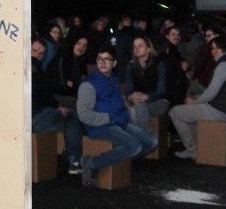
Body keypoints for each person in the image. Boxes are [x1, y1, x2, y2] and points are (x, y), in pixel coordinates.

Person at [76, 46, 157, 184]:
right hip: (101, 126)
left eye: (107, 59)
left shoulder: (114, 79)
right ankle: (90, 162)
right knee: (134, 146)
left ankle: (120, 158)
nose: (102, 62)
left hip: (119, 122)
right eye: (100, 59)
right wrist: (108, 118)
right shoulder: (89, 84)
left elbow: (118, 103)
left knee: (152, 142)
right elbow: (83, 115)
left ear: (114, 63)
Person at [171, 37, 226, 160]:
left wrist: (193, 101)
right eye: (212, 48)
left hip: (221, 110)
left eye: (218, 48)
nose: (214, 51)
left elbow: (211, 93)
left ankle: (192, 150)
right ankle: (199, 147)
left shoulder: (224, 65)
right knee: (190, 111)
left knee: (175, 112)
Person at [31, 39, 83, 171]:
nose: (37, 55)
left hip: (34, 114)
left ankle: (69, 153)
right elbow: (40, 91)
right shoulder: (32, 66)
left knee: (70, 113)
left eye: (41, 53)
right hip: (34, 118)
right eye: (34, 51)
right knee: (72, 116)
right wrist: (57, 106)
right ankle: (74, 161)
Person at [123, 36, 170, 127]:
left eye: (140, 46)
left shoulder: (159, 64)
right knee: (134, 109)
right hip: (138, 102)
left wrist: (146, 97)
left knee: (136, 108)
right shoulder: (130, 66)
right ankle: (146, 138)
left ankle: (144, 138)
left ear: (148, 49)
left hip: (158, 101)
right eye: (135, 46)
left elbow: (162, 91)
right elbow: (129, 89)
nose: (137, 49)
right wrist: (132, 96)